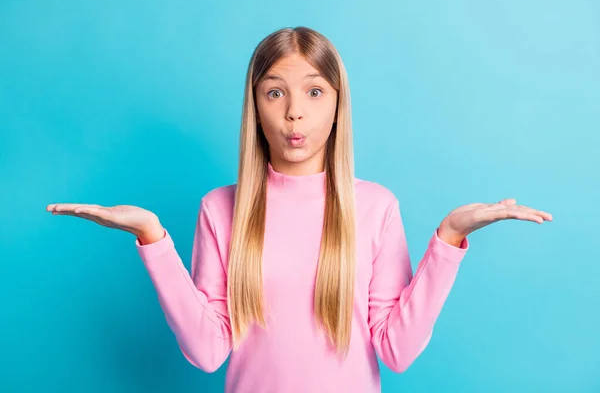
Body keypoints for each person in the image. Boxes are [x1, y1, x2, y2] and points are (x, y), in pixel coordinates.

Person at [46, 26, 553, 393]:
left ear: (337, 104)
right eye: (275, 92)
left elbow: (396, 351)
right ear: (256, 105)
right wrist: (152, 238)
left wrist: (449, 238)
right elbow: (207, 352)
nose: (295, 111)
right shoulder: (219, 209)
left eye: (314, 91)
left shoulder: (374, 206)